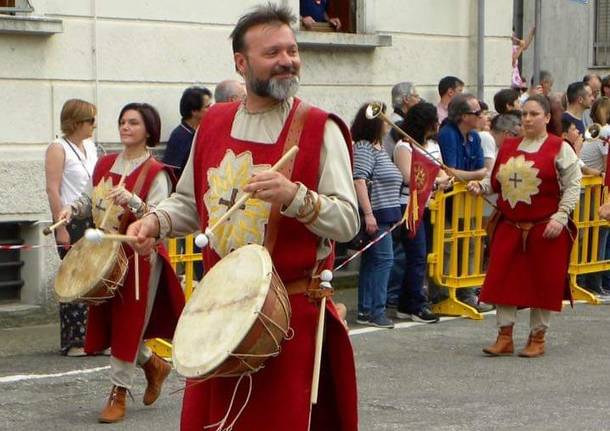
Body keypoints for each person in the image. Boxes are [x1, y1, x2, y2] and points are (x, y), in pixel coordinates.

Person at [126, 5, 359, 430]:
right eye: (272, 52)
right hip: (219, 316)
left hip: (287, 322)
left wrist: (294, 197)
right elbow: (188, 204)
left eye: (292, 50)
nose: (288, 60)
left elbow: (348, 221)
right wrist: (154, 222)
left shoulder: (319, 129)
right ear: (241, 62)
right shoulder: (212, 124)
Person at [58, 103, 185, 423]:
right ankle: (154, 364)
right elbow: (89, 201)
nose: (125, 127)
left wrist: (134, 201)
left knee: (130, 323)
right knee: (111, 325)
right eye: (122, 122)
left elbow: (160, 215)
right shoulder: (104, 164)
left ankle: (118, 392)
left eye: (133, 123)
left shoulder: (157, 172)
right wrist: (69, 211)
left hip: (140, 257)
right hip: (103, 257)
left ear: (148, 130)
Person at [467, 95, 581, 358]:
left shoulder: (559, 148)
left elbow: (574, 185)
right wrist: (479, 186)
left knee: (543, 283)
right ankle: (504, 336)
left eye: (533, 114)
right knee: (502, 280)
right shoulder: (508, 147)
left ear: (547, 118)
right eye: (524, 115)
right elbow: (494, 181)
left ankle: (537, 338)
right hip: (510, 226)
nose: (527, 119)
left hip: (545, 227)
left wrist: (561, 216)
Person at [45, 99, 98, 357]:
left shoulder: (90, 147)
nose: (94, 126)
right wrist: (61, 226)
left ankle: (94, 336)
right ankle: (74, 340)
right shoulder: (58, 148)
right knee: (74, 277)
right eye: (90, 121)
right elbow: (53, 188)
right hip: (69, 218)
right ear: (76, 122)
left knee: (94, 277)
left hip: (91, 215)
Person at [392, 102, 449, 323]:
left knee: (423, 256)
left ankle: (409, 301)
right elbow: (410, 178)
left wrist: (437, 181)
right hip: (410, 206)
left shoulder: (433, 144)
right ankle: (414, 303)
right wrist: (436, 182)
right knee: (416, 256)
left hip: (431, 205)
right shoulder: (404, 147)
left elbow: (443, 172)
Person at [437, 93, 491, 311]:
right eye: (476, 112)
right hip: (449, 202)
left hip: (469, 201)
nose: (481, 116)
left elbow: (482, 171)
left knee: (470, 243)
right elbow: (450, 171)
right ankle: (444, 293)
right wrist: (474, 175)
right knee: (448, 245)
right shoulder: (448, 134)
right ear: (462, 116)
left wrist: (472, 175)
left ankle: (468, 291)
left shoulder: (475, 137)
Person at [352, 102, 403, 328]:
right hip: (377, 214)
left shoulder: (378, 148)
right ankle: (375, 311)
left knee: (374, 262)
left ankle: (367, 309)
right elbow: (359, 179)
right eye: (384, 119)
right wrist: (368, 214)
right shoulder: (364, 148)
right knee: (383, 261)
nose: (387, 123)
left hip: (385, 213)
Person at [162, 86, 212, 179]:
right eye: (207, 107)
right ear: (194, 111)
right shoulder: (179, 137)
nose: (211, 109)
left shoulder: (205, 131)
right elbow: (172, 173)